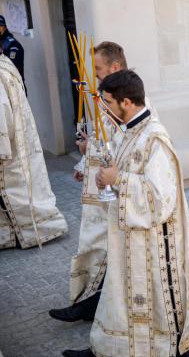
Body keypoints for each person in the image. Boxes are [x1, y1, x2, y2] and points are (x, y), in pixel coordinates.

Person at [62, 70, 189, 357]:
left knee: (156, 298)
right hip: (130, 236)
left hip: (154, 242)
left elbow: (161, 199)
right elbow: (117, 167)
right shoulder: (130, 131)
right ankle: (113, 346)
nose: (103, 107)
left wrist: (119, 180)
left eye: (107, 102)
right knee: (123, 296)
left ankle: (179, 346)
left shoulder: (155, 139)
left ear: (126, 102)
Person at [49, 42, 133, 323]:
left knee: (112, 251)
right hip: (107, 189)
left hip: (124, 196)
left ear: (115, 68)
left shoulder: (127, 103)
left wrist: (94, 155)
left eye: (97, 70)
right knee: (103, 248)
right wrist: (86, 158)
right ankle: (91, 304)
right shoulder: (109, 99)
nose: (94, 76)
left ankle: (95, 307)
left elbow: (124, 150)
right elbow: (105, 141)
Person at [0, 54, 67, 249]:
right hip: (18, 145)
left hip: (10, 148)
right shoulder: (5, 64)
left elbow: (2, 113)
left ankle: (25, 232)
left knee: (16, 190)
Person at [0, 15, 25, 89]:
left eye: (0, 26)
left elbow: (10, 68)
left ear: (4, 27)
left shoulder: (12, 45)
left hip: (14, 89)